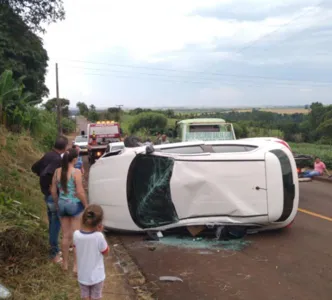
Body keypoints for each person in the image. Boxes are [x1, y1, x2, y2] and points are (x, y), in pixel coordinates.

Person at [31, 135, 68, 263]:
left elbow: (34, 168)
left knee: (53, 224)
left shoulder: (47, 155)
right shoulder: (57, 159)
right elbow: (47, 173)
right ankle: (53, 254)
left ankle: (54, 250)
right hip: (53, 197)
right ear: (64, 147)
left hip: (47, 196)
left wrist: (44, 183)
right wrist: (49, 184)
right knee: (55, 226)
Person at [51, 148, 88, 272]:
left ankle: (65, 264)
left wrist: (57, 205)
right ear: (74, 159)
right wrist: (86, 205)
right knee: (76, 236)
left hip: (62, 204)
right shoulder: (76, 172)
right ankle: (76, 266)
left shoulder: (57, 172)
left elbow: (53, 192)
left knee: (66, 235)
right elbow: (80, 192)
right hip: (74, 205)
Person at [73, 204, 109, 300]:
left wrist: (75, 266)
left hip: (83, 275)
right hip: (97, 276)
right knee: (96, 297)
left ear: (83, 218)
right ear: (99, 223)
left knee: (85, 296)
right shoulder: (99, 237)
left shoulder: (76, 235)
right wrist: (100, 233)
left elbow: (75, 249)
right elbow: (106, 252)